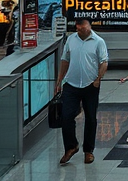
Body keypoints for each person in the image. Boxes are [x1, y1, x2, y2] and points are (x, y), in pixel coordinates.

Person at [56, 17, 108, 166]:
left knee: (91, 118)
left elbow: (104, 62)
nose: (81, 31)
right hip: (71, 84)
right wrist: (60, 80)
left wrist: (98, 79)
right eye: (78, 29)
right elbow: (65, 60)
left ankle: (88, 151)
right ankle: (71, 146)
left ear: (89, 27)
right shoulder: (71, 40)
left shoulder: (98, 41)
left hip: (90, 85)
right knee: (66, 117)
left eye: (83, 28)